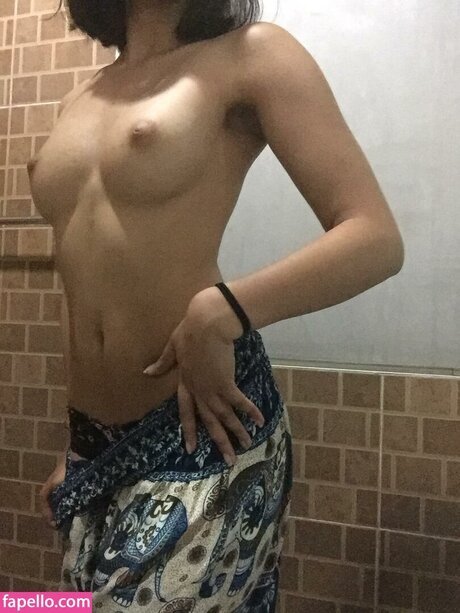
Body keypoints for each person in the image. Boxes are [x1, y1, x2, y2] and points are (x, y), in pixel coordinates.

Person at [32, 0, 404, 611]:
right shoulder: (81, 97)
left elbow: (375, 238)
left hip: (205, 428)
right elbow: (84, 276)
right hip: (94, 449)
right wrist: (74, 449)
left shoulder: (251, 55)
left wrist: (223, 310)